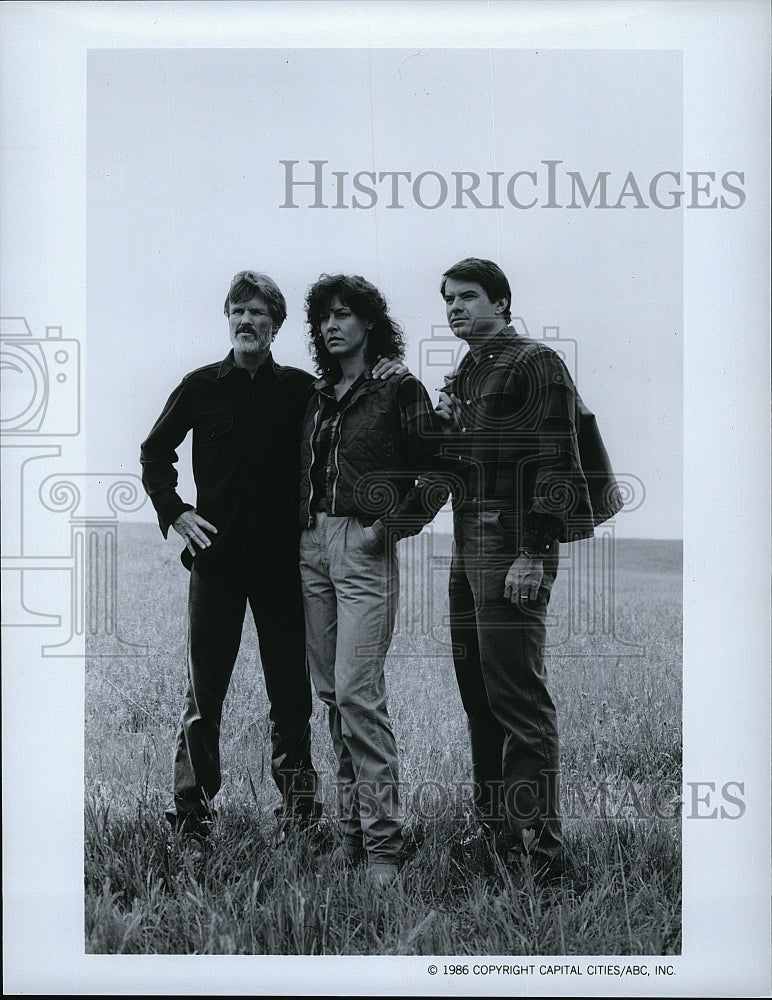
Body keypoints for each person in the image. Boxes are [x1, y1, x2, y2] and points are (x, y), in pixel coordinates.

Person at [140, 270, 402, 843]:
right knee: (203, 695)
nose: (247, 321)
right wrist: (175, 511)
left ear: (276, 325)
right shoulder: (200, 386)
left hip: (286, 567)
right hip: (215, 565)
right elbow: (154, 454)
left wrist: (385, 365)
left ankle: (300, 814)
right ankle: (190, 814)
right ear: (227, 318)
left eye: (259, 313)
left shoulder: (301, 391)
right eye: (238, 310)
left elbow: (352, 397)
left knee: (291, 694)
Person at [435, 257, 622, 883]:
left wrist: (536, 551)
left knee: (517, 699)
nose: (455, 308)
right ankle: (496, 842)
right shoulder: (468, 370)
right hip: (466, 538)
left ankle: (541, 857)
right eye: (448, 300)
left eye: (467, 297)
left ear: (502, 302)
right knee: (480, 696)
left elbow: (557, 456)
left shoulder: (535, 362)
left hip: (510, 539)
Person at [298, 274, 447, 887]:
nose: (332, 327)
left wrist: (390, 525)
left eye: (344, 316)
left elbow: (442, 469)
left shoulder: (398, 389)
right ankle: (351, 835)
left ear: (368, 323)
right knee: (332, 694)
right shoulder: (319, 394)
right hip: (310, 545)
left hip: (362, 543)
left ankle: (385, 850)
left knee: (359, 691)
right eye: (324, 319)